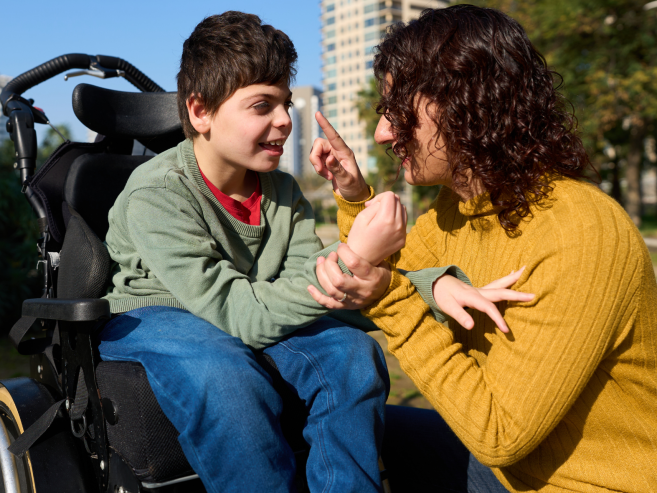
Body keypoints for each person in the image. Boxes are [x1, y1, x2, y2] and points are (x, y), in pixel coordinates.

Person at [99, 11, 524, 493]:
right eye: (262, 105)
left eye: (284, 103)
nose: (284, 119)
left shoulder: (281, 191)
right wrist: (356, 257)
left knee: (351, 355)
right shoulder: (156, 195)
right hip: (160, 315)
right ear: (200, 112)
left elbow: (312, 289)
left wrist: (429, 287)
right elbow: (241, 315)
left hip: (251, 309)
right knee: (226, 379)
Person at [308, 5, 657, 493]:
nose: (382, 133)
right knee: (340, 430)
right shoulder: (458, 209)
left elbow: (501, 434)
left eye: (397, 110)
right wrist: (353, 197)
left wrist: (391, 299)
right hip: (509, 473)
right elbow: (377, 266)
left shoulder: (580, 230)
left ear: (463, 102)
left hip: (586, 483)